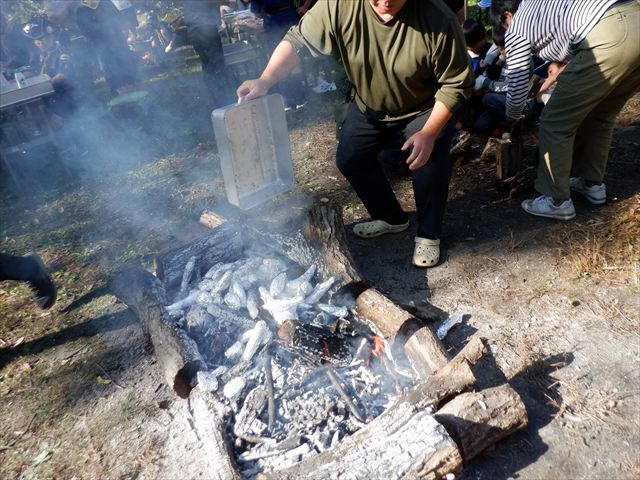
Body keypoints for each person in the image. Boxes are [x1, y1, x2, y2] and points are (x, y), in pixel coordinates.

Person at [238, 0, 474, 267]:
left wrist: (430, 133)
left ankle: (429, 235)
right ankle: (391, 218)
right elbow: (297, 42)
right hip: (369, 105)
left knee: (427, 165)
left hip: (425, 108)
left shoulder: (437, 18)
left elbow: (457, 83)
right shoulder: (340, 5)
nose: (385, 2)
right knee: (350, 158)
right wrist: (265, 79)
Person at [491, 0, 640, 220]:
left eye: (503, 25)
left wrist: (512, 115)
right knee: (600, 116)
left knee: (554, 120)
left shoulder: (517, 24)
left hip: (607, 32)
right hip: (633, 15)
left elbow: (518, 78)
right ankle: (591, 183)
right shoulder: (541, 5)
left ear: (506, 16)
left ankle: (556, 200)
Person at [183, 0, 233, 107]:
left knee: (209, 66)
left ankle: (216, 98)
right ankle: (222, 100)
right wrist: (227, 2)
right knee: (216, 66)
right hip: (203, 30)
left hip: (197, 29)